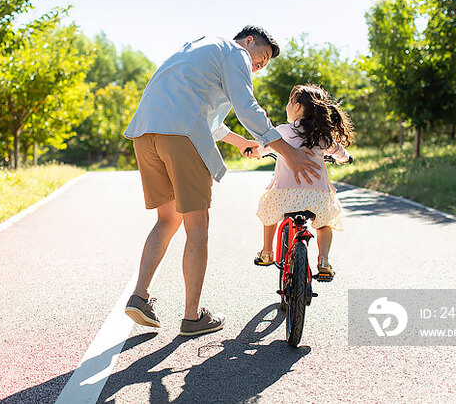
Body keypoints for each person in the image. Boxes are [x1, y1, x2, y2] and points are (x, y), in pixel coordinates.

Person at [123, 26, 321, 336]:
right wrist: (286, 152)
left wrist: (241, 141)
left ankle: (139, 295)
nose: (261, 65)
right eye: (264, 56)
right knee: (197, 226)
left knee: (167, 219)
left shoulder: (198, 48)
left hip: (145, 131)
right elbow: (247, 107)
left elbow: (203, 115)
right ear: (249, 41)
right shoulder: (235, 53)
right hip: (181, 134)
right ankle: (192, 317)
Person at [253, 84, 354, 281]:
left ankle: (266, 252)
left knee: (269, 214)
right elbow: (339, 152)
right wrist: (346, 158)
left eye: (290, 102)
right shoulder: (321, 136)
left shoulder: (281, 131)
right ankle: (323, 261)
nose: (287, 106)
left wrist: (255, 152)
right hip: (317, 197)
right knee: (324, 224)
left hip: (284, 194)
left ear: (297, 107)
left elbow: (264, 146)